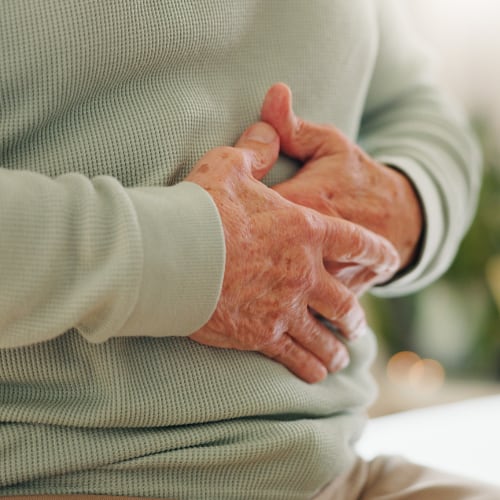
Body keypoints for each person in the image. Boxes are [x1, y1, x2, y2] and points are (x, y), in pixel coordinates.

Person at [0, 1, 497, 499]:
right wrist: (189, 256)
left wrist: (405, 201)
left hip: (342, 475)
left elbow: (415, 107)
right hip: (53, 473)